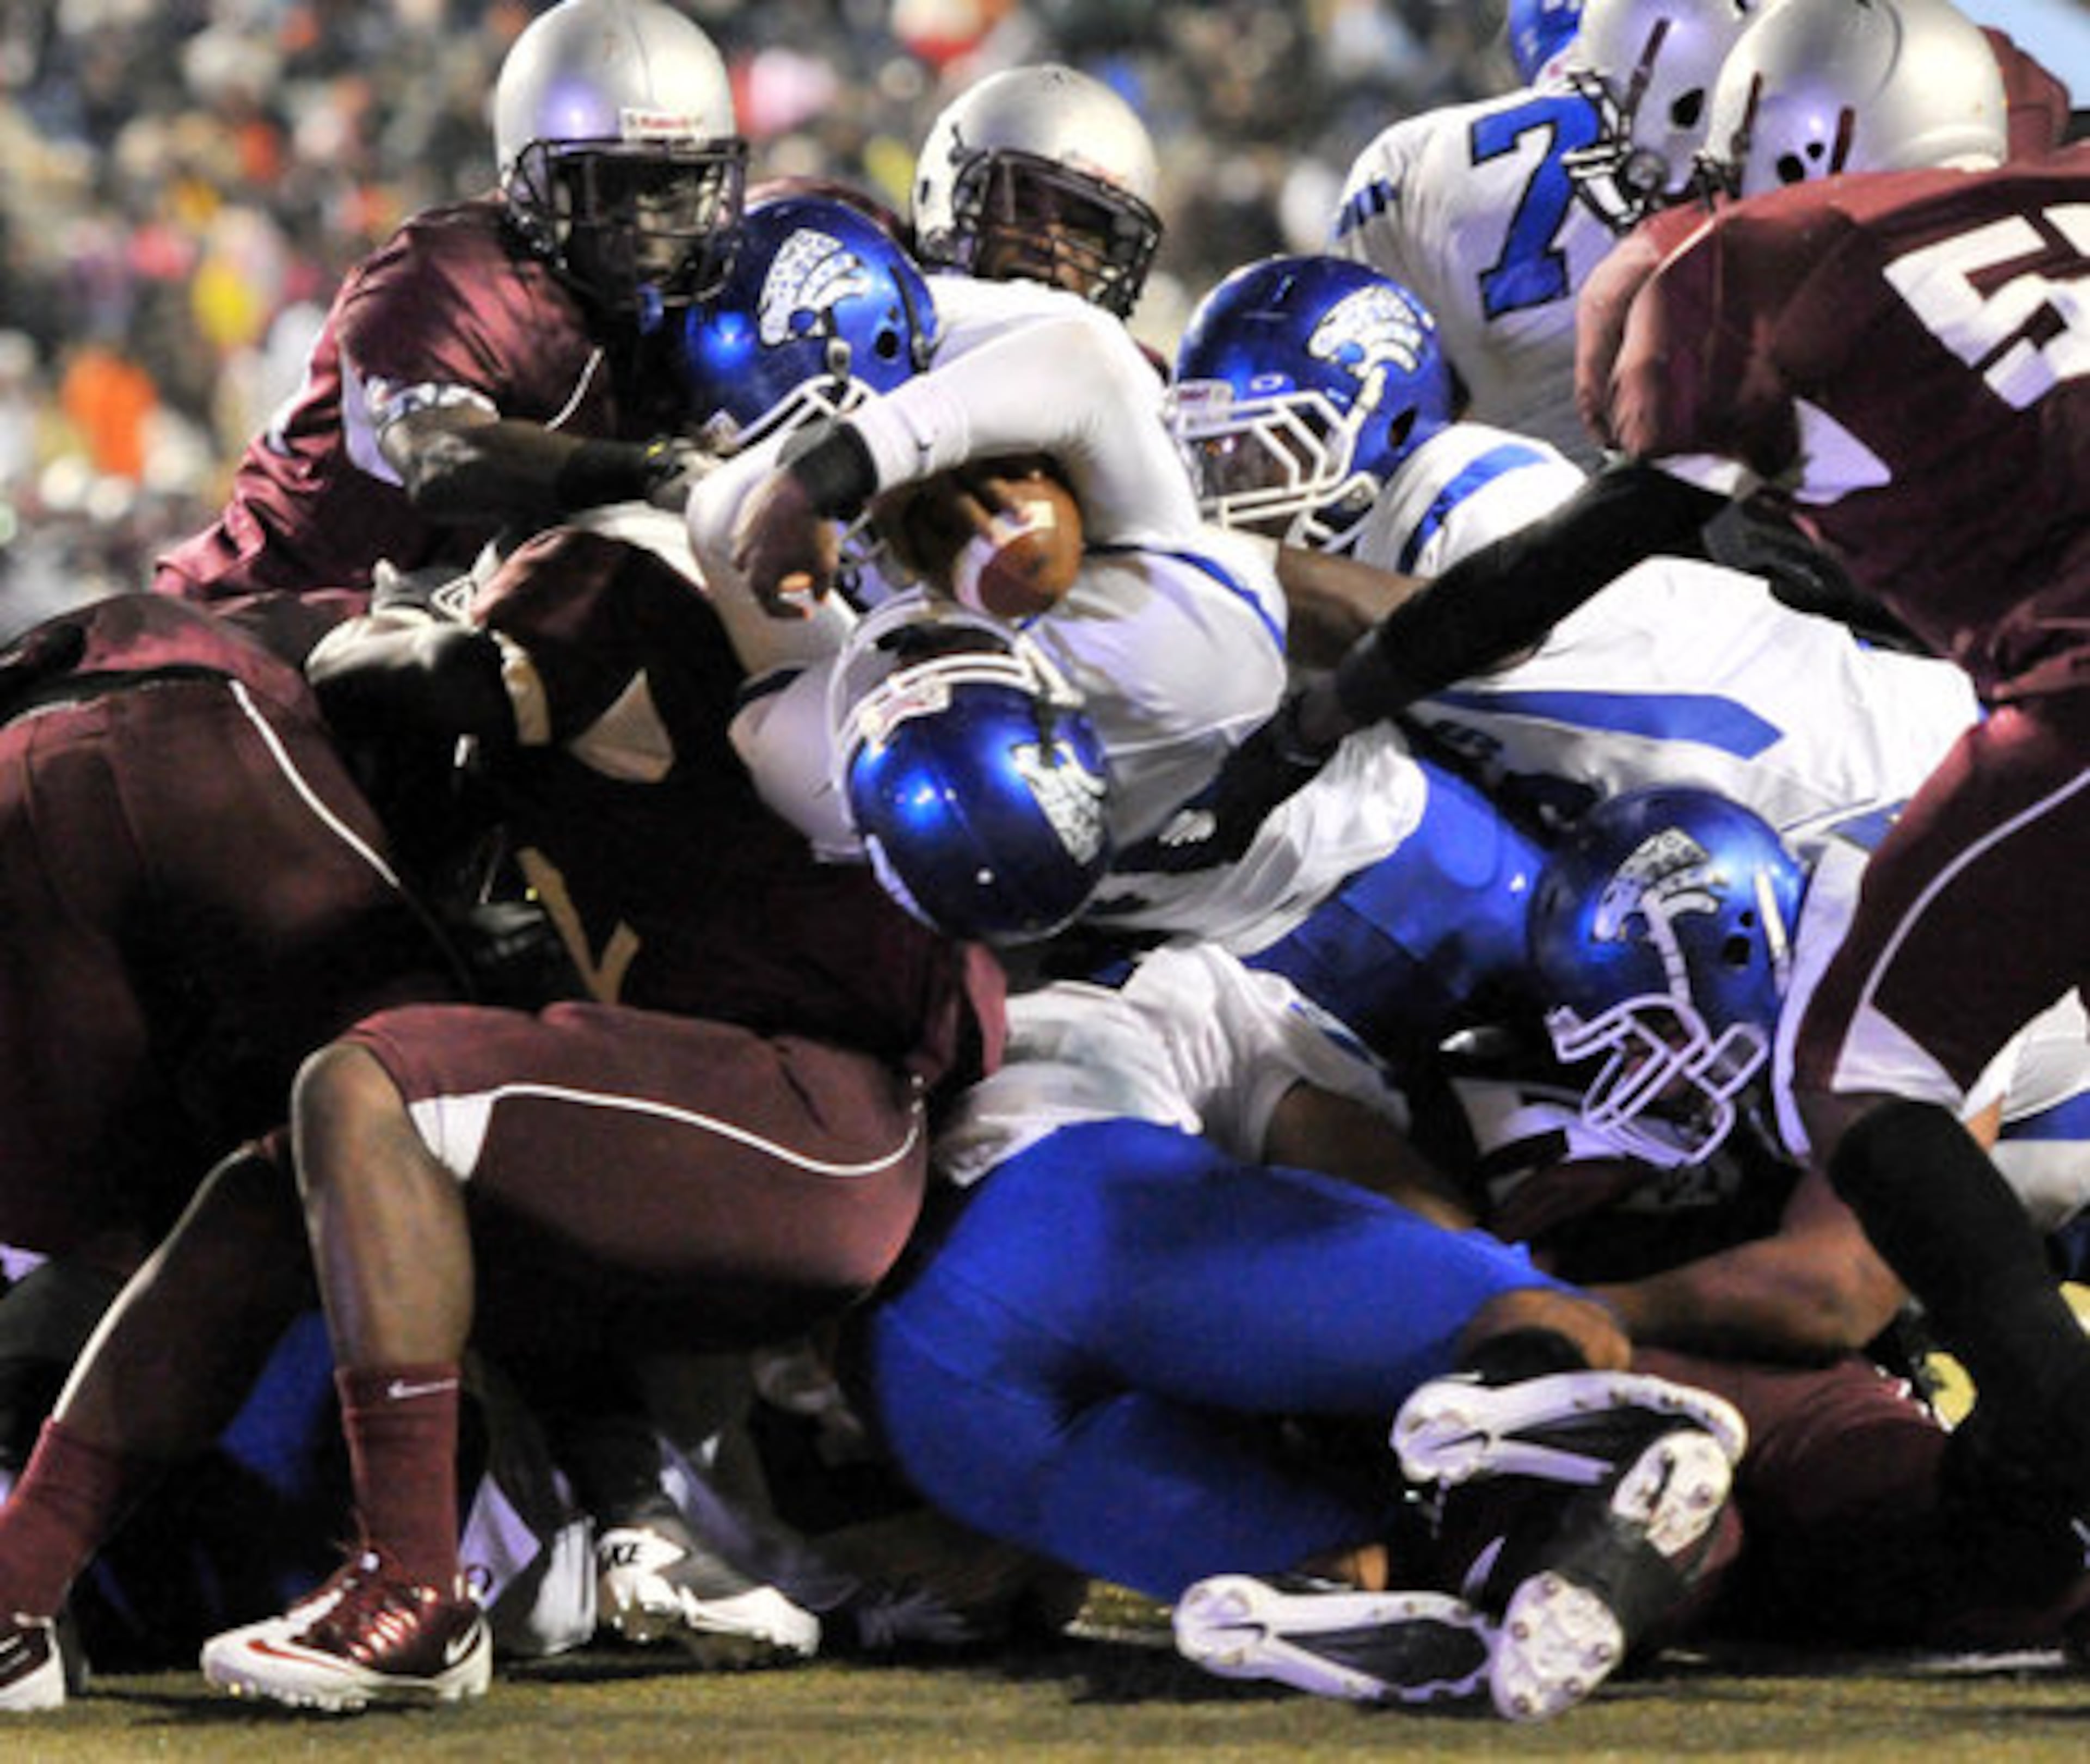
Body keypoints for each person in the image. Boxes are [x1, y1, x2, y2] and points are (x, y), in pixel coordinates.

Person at [1252, 0, 2090, 1538]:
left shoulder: (1752, 266)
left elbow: (1578, 553)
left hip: (1988, 738)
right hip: (1917, 730)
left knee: (1861, 1081)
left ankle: (2053, 1433)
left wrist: (1332, 693)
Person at [843, 939, 1747, 1722]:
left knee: (1372, 1573)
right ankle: (1558, 1451)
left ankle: (1381, 1597)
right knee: (1557, 1325)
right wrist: (1487, 1292)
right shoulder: (1199, 992)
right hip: (1066, 1222)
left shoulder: (894, 1037)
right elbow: (1389, 1195)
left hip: (921, 1399)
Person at [149, 0, 747, 660]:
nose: (646, 223)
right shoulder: (449, 273)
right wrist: (650, 470)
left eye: (674, 186)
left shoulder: (692, 304)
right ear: (536, 177)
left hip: (442, 634)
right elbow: (442, 458)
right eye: (614, 186)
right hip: (269, 620)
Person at [1330, 0, 1759, 464]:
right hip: (1719, 485)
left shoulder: (1405, 159)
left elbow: (1378, 399)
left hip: (1517, 503)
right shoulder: (1747, 114)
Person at [907, 63, 1166, 322]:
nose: (1051, 245)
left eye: (1082, 226)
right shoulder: (885, 325)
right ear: (952, 199)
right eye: (1024, 209)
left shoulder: (1119, 361)